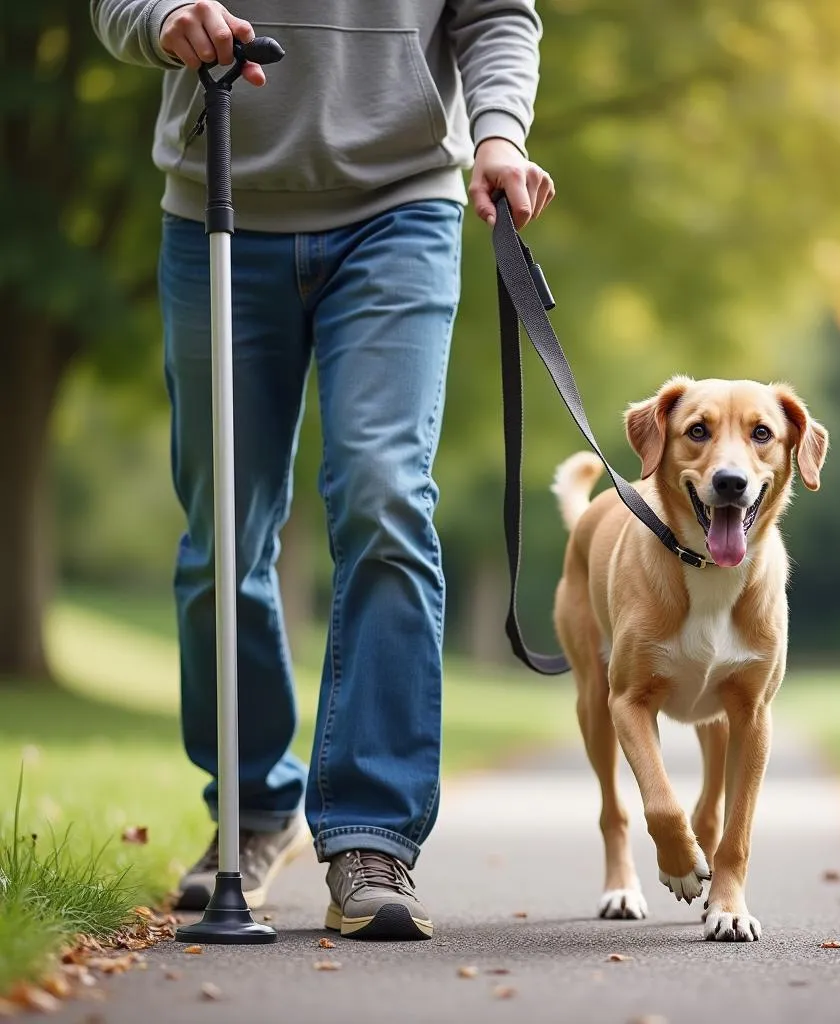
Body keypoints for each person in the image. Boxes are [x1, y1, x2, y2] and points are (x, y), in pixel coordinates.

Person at [90, 0, 553, 941]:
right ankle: (254, 809)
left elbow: (498, 13)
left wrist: (499, 131)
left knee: (385, 493)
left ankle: (371, 832)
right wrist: (162, 19)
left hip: (401, 205)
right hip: (220, 194)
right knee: (224, 530)